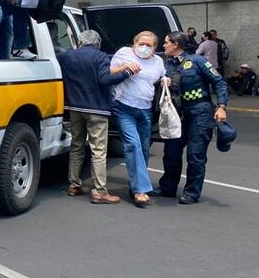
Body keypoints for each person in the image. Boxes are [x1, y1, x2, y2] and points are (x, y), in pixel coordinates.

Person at [58, 30, 137, 204]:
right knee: (98, 150)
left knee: (76, 145)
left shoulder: (66, 56)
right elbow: (104, 80)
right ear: (97, 42)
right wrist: (127, 73)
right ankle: (99, 191)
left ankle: (73, 184)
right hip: (96, 108)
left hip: (73, 107)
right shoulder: (99, 56)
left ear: (79, 41)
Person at [154, 31, 228, 204]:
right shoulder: (166, 65)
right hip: (176, 114)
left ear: (176, 44)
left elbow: (219, 82)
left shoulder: (198, 61)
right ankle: (168, 187)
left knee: (196, 155)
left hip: (199, 112)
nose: (163, 45)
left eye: (166, 42)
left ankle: (192, 192)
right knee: (171, 153)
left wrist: (222, 106)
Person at [110, 31, 167, 207]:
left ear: (155, 48)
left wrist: (166, 79)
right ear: (134, 43)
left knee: (143, 148)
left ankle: (135, 184)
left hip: (145, 109)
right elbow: (109, 72)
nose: (144, 47)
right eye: (141, 43)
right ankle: (140, 190)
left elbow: (162, 75)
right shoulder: (124, 53)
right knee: (132, 145)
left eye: (149, 45)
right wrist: (125, 68)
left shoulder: (157, 61)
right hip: (124, 106)